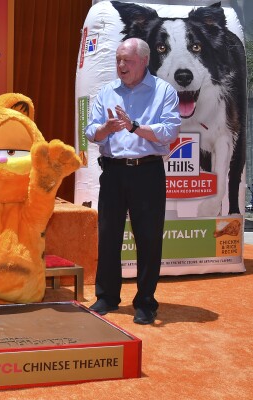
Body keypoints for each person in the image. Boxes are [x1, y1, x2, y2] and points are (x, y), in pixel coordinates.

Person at [84, 38, 180, 325]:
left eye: (128, 60)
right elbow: (90, 131)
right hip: (113, 171)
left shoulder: (163, 91)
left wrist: (134, 127)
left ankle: (146, 302)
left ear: (144, 61)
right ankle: (107, 296)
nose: (121, 66)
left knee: (149, 238)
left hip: (147, 172)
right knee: (109, 235)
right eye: (118, 60)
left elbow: (169, 131)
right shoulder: (107, 92)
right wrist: (105, 128)